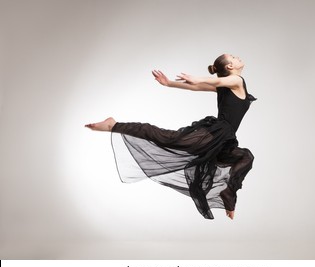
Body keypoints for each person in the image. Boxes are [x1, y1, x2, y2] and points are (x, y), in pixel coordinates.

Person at [85, 54, 256, 220]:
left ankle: (228, 191)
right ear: (229, 67)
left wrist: (171, 83)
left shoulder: (231, 85)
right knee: (168, 139)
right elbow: (212, 82)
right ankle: (113, 125)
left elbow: (198, 86)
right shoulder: (236, 81)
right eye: (233, 57)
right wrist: (189, 80)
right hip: (215, 134)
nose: (237, 57)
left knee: (245, 157)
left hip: (225, 139)